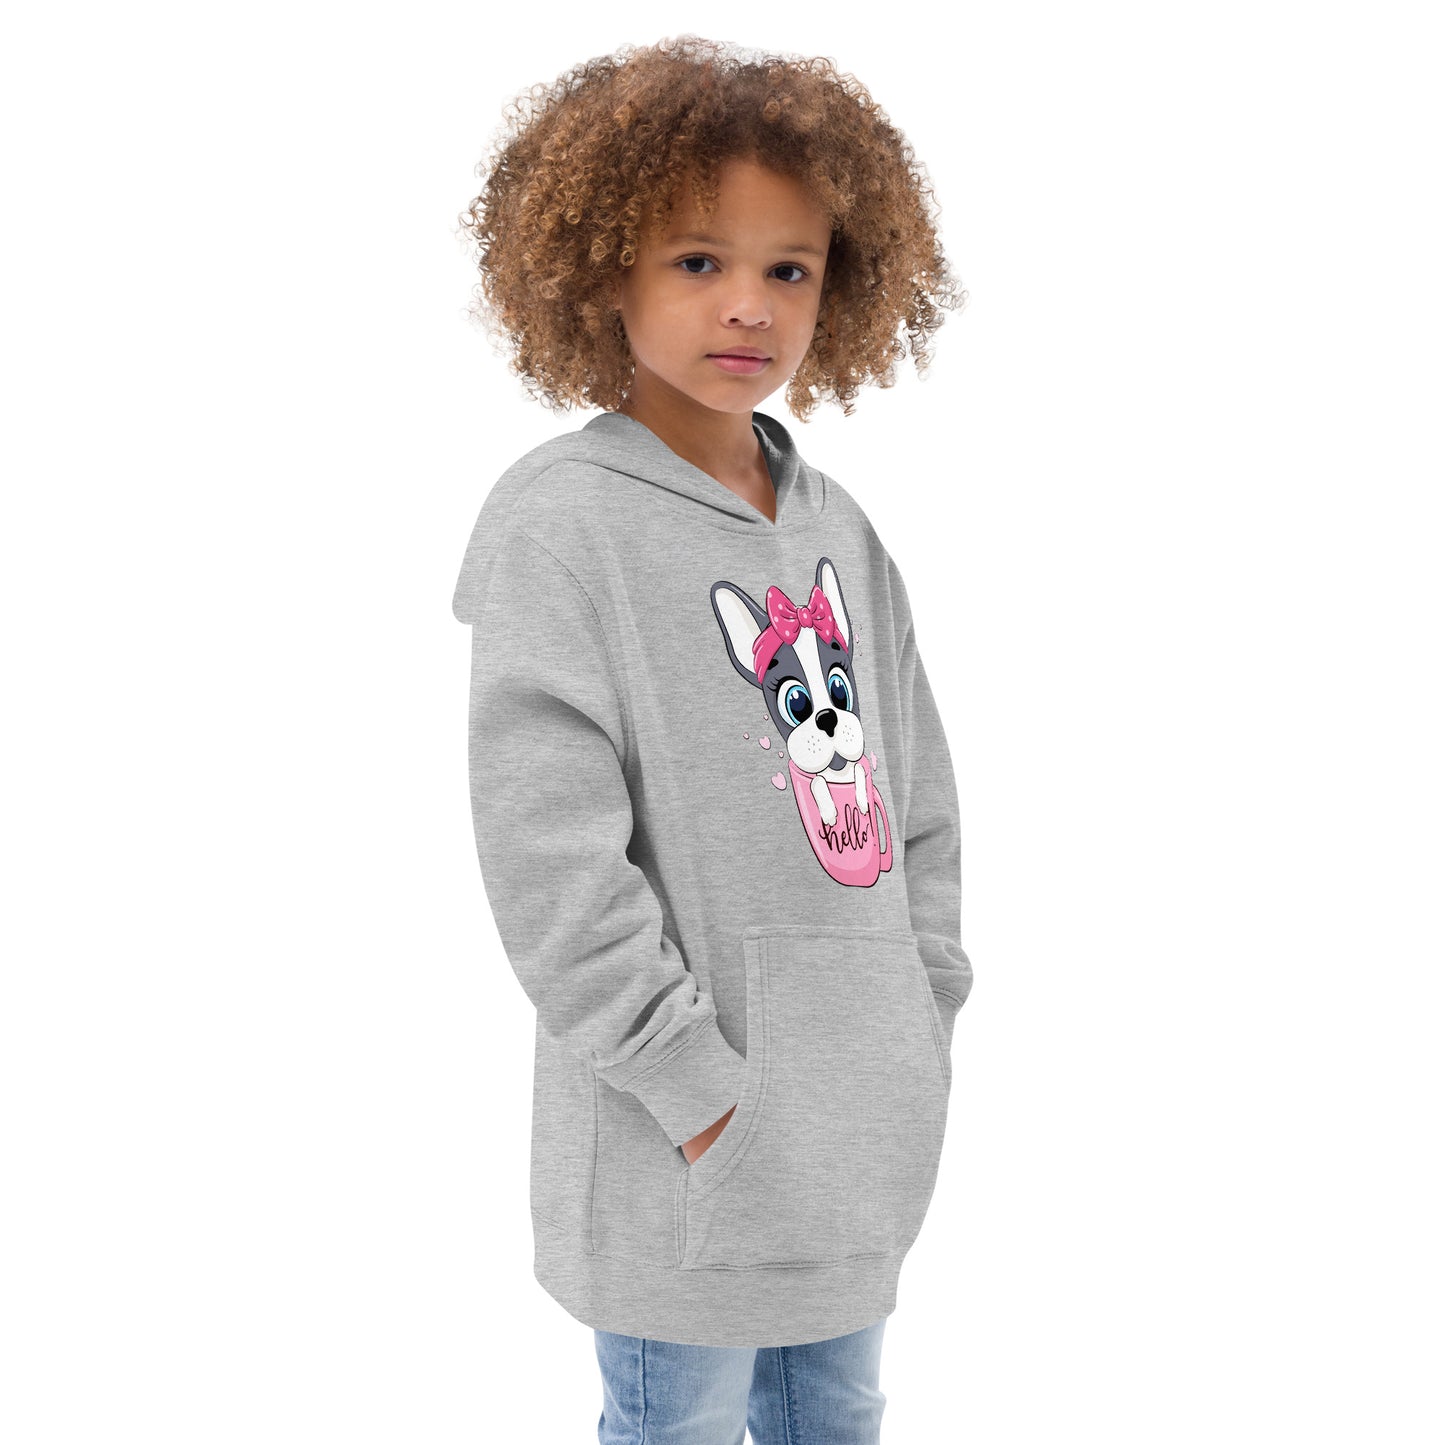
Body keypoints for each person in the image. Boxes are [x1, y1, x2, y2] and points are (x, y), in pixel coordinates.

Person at [451, 34, 975, 1445]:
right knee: (674, 1423)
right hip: (681, 1147)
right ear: (599, 270)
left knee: (839, 1417)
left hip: (857, 1136)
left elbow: (919, 804)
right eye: (697, 260)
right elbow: (551, 863)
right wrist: (697, 1097)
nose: (748, 304)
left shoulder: (839, 529)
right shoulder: (562, 527)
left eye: (788, 268)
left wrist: (919, 1017)